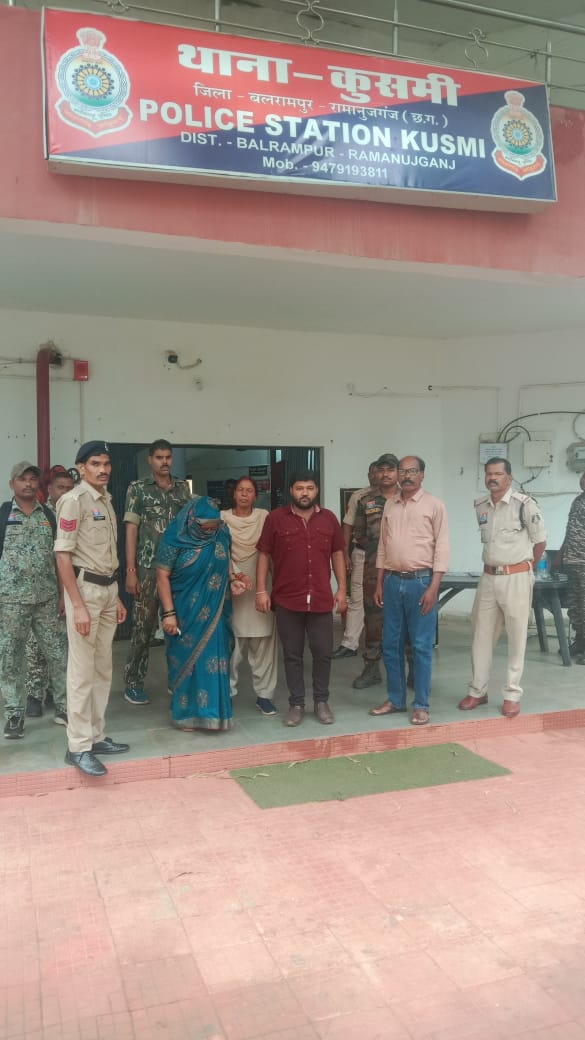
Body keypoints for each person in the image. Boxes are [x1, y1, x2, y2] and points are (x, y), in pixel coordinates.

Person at [55, 441, 129, 777]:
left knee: (102, 670)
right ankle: (78, 746)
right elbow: (63, 556)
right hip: (84, 593)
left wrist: (116, 595)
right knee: (82, 672)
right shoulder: (74, 501)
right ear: (81, 468)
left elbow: (104, 554)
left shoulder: (106, 500)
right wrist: (78, 605)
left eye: (107, 464)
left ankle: (96, 736)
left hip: (107, 590)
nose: (103, 469)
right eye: (96, 464)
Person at [256, 471, 347, 727]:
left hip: (320, 598)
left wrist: (342, 589)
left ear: (316, 490)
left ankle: (321, 701)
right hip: (287, 599)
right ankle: (296, 704)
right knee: (292, 654)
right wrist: (261, 590)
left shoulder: (328, 519)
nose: (304, 493)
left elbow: (338, 553)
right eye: (299, 488)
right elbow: (264, 554)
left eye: (309, 488)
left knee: (323, 652)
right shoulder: (276, 518)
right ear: (291, 491)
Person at [458, 457, 546, 718]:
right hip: (488, 578)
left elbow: (540, 541)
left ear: (509, 477)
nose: (492, 478)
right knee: (480, 635)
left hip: (516, 578)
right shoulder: (481, 506)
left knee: (517, 637)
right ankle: (477, 690)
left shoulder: (524, 505)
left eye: (498, 474)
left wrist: (527, 569)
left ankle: (512, 694)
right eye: (489, 474)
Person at [156, 497, 247, 732]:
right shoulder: (174, 537)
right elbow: (162, 576)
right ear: (192, 520)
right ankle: (186, 715)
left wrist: (233, 580)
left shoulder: (222, 533)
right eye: (205, 526)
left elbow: (226, 560)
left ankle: (214, 714)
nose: (210, 530)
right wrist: (169, 614)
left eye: (214, 525)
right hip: (184, 612)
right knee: (188, 661)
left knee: (215, 658)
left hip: (216, 610)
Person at [372, 456, 449, 726]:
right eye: (402, 471)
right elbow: (383, 546)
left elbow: (442, 548)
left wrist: (434, 587)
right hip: (392, 582)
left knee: (421, 646)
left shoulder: (434, 505)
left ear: (422, 475)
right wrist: (379, 583)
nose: (407, 476)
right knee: (390, 644)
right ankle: (395, 700)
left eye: (412, 471)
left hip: (421, 583)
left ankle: (421, 704)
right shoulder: (390, 505)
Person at [0, 461, 68, 738]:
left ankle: (65, 707)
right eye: (22, 479)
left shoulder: (48, 515)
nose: (28, 483)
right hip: (11, 602)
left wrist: (63, 595)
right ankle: (14, 715)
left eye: (32, 479)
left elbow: (60, 559)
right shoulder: (4, 514)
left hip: (46, 599)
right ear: (12, 484)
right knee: (11, 658)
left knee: (59, 654)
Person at [123, 439, 192, 705]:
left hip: (178, 570)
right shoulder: (138, 489)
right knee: (143, 628)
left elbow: (190, 527)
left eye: (168, 457)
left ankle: (178, 679)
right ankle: (133, 682)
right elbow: (131, 530)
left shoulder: (182, 489)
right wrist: (131, 570)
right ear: (150, 460)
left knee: (178, 626)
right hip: (148, 569)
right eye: (159, 457)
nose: (165, 462)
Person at [221, 476, 278, 716]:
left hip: (261, 584)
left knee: (263, 643)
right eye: (240, 490)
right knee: (230, 645)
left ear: (255, 495)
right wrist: (234, 575)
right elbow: (219, 551)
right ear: (234, 493)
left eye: (249, 490)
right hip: (232, 585)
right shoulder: (222, 518)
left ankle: (264, 695)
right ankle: (226, 693)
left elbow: (273, 551)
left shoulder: (264, 517)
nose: (244, 494)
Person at [25, 467, 75, 718]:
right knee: (36, 645)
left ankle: (59, 694)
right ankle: (35, 693)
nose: (64, 492)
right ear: (49, 490)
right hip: (42, 590)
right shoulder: (42, 514)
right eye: (60, 488)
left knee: (63, 646)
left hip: (71, 588)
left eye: (69, 488)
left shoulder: (77, 513)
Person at [351, 453, 400, 689]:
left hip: (403, 570)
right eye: (381, 470)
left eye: (390, 469)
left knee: (406, 621)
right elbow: (358, 533)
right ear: (375, 473)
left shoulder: (408, 498)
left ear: (398, 473)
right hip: (373, 571)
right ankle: (371, 669)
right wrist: (377, 549)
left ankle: (411, 670)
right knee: (373, 621)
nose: (385, 474)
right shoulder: (366, 501)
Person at [331, 461, 378, 660]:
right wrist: (344, 554)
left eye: (381, 472)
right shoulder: (359, 496)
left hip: (388, 557)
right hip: (362, 553)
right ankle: (349, 644)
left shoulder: (398, 497)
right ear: (368, 475)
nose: (377, 476)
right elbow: (347, 527)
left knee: (388, 599)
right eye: (372, 473)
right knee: (357, 598)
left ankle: (389, 644)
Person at [556, 472, 585, 662]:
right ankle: (580, 641)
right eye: (583, 477)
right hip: (572, 561)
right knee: (575, 606)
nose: (583, 480)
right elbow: (570, 531)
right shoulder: (578, 501)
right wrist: (560, 555)